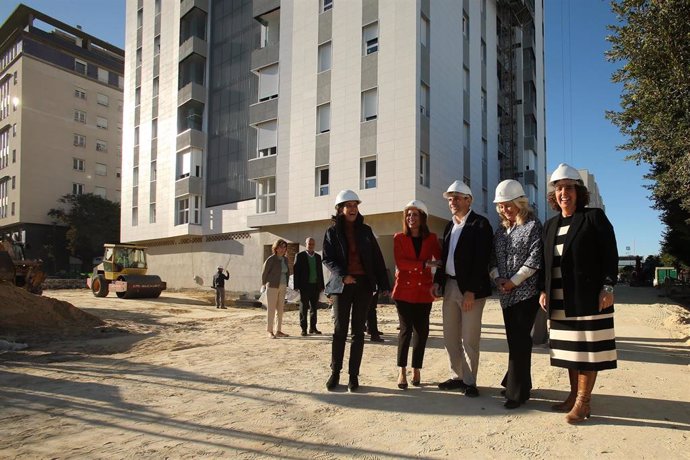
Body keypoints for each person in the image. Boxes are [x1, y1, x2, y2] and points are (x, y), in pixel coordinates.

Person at [540, 163, 618, 424]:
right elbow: (545, 262)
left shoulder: (593, 218)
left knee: (587, 351)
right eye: (559, 188)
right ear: (554, 194)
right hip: (561, 299)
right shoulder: (550, 225)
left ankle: (584, 403)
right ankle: (573, 396)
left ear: (579, 192)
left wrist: (607, 287)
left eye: (569, 188)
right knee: (570, 351)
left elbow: (610, 255)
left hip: (588, 298)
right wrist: (543, 290)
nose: (564, 193)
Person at [323, 189, 390, 392]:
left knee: (358, 332)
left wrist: (384, 284)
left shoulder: (366, 231)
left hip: (363, 286)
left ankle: (354, 376)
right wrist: (344, 274)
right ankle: (335, 373)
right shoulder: (332, 232)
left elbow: (377, 258)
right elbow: (327, 258)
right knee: (339, 330)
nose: (352, 209)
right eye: (348, 205)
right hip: (342, 285)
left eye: (355, 205)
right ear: (340, 209)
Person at [433, 180, 493, 397]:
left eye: (457, 198)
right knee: (450, 336)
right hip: (449, 286)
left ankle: (470, 381)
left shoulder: (480, 224)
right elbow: (444, 257)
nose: (452, 202)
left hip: (470, 290)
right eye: (450, 199)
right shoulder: (450, 226)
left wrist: (471, 291)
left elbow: (482, 260)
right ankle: (457, 376)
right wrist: (438, 282)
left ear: (469, 200)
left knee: (469, 338)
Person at [489, 180, 543, 409]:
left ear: (520, 203)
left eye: (509, 205)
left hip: (525, 294)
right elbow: (492, 258)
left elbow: (534, 258)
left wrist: (513, 281)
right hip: (505, 294)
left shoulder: (533, 226)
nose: (505, 210)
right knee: (514, 342)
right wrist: (498, 278)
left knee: (521, 341)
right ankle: (518, 382)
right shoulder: (500, 231)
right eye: (501, 206)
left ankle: (516, 393)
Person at [391, 200, 441, 389]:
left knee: (422, 332)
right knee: (405, 331)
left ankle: (416, 368)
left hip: (424, 292)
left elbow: (441, 259)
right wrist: (424, 265)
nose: (411, 218)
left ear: (422, 218)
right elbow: (401, 263)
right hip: (403, 291)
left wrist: (438, 278)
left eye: (415, 215)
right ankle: (402, 370)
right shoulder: (398, 238)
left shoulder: (431, 238)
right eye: (408, 215)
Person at [293, 237, 325, 336]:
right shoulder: (300, 256)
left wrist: (322, 285)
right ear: (305, 244)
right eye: (309, 244)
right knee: (303, 308)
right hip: (304, 286)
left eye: (312, 244)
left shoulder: (318, 257)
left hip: (315, 286)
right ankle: (304, 329)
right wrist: (296, 286)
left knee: (314, 308)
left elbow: (320, 272)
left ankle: (313, 327)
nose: (311, 246)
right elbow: (296, 272)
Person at [261, 239, 291, 339]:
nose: (283, 249)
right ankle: (269, 331)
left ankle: (278, 330)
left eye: (284, 247)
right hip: (272, 286)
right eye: (281, 247)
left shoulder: (285, 259)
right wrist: (263, 284)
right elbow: (264, 273)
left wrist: (287, 285)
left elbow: (287, 273)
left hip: (283, 286)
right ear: (276, 248)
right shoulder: (271, 259)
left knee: (280, 310)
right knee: (271, 310)